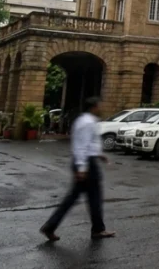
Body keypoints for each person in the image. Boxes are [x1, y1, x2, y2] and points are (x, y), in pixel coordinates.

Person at [40, 97, 115, 241]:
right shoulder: (87, 123)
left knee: (77, 198)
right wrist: (82, 167)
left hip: (84, 162)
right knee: (93, 197)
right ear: (93, 107)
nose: (101, 108)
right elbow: (82, 145)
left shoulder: (83, 120)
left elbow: (86, 144)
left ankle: (50, 226)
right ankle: (97, 229)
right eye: (99, 106)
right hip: (86, 164)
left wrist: (99, 155)